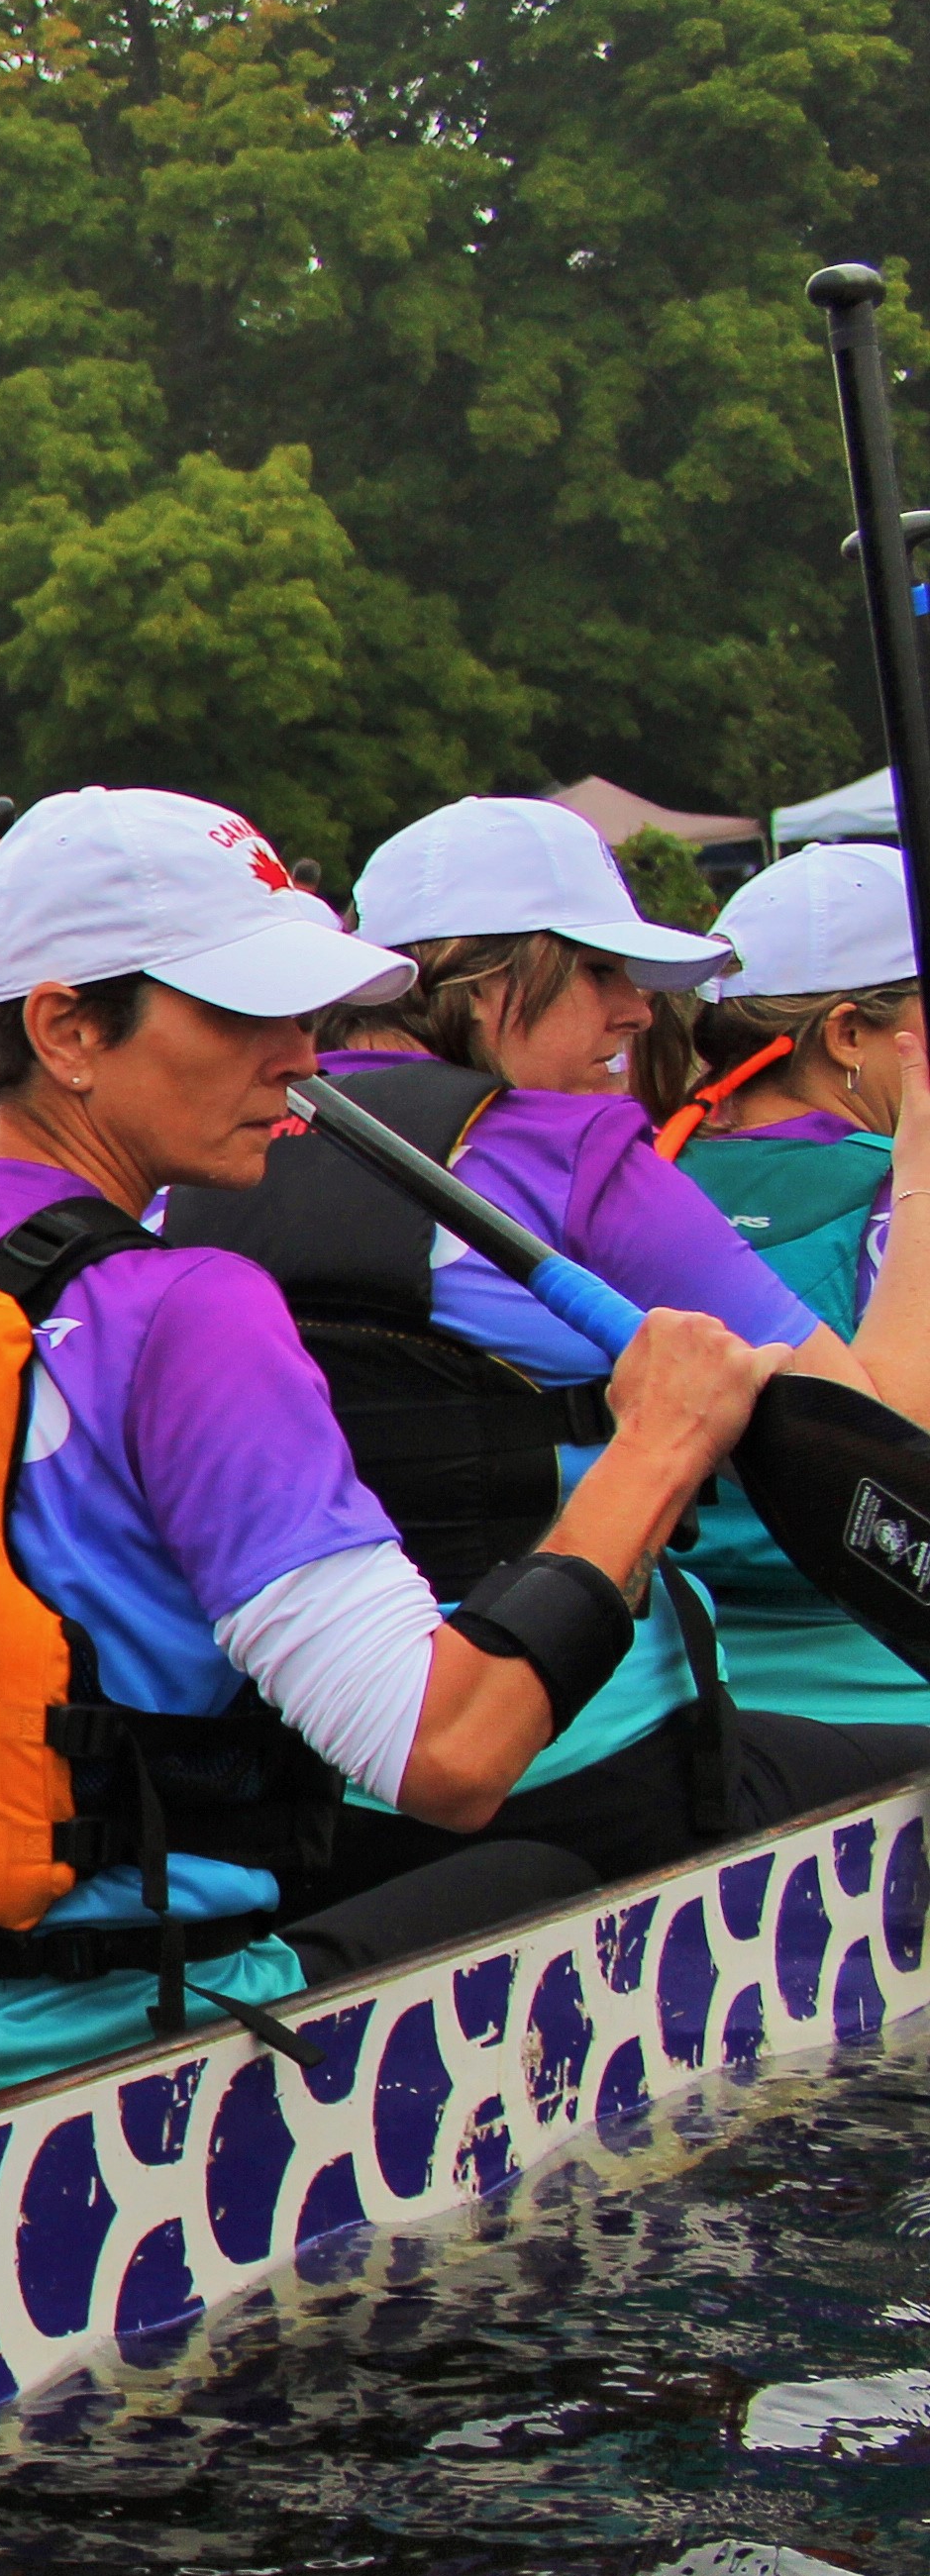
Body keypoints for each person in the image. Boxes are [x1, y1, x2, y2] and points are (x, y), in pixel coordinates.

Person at [0, 787, 732, 2150]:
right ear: (68, 1032)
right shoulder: (188, 1310)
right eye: (246, 1014)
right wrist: (657, 1447)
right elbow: (448, 1752)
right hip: (91, 2077)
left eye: (304, 1012)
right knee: (542, 1868)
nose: (300, 1060)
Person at [162, 794, 930, 1887]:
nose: (636, 1013)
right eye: (599, 973)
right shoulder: (581, 1158)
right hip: (600, 1760)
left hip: (317, 1778)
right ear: (486, 982)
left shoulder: (204, 1160)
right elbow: (870, 1435)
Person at [654, 844, 930, 1723]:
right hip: (893, 1690)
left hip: (679, 1689)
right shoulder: (906, 1192)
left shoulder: (627, 1184)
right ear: (848, 1035)